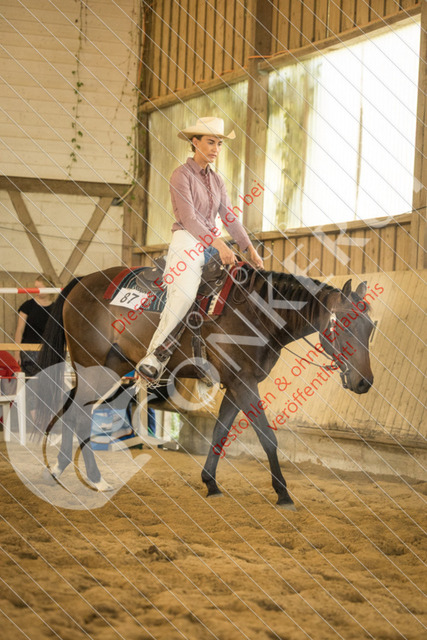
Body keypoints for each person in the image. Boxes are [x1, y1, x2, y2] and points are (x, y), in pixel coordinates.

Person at [138, 116, 264, 380]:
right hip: (187, 240)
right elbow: (189, 219)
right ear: (194, 142)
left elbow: (229, 217)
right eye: (210, 142)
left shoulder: (217, 181)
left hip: (211, 243)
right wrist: (219, 243)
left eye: (219, 144)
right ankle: (154, 357)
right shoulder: (180, 175)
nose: (216, 149)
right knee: (184, 295)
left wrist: (249, 248)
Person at [14, 274, 55, 377]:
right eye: (35, 287)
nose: (36, 290)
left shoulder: (55, 309)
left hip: (48, 352)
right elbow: (19, 330)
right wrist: (16, 352)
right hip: (29, 352)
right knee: (31, 381)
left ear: (48, 288)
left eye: (39, 288)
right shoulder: (27, 306)